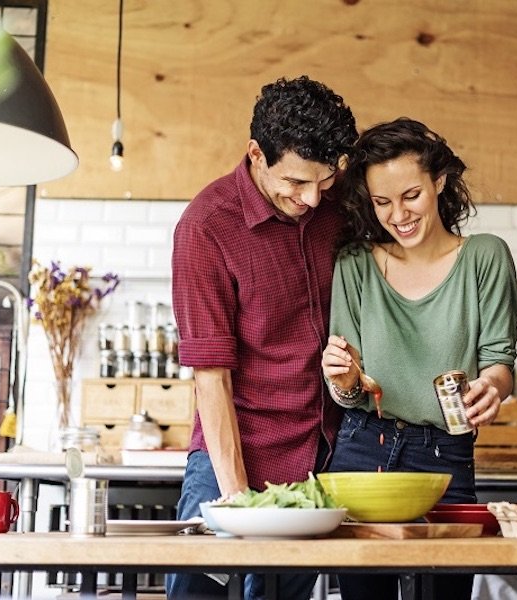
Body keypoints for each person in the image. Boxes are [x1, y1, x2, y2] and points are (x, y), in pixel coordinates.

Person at [168, 75, 358, 600]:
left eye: (324, 181)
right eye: (297, 183)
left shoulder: (333, 201)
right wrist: (240, 504)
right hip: (234, 450)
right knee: (197, 592)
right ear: (256, 153)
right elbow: (211, 377)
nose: (313, 198)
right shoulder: (206, 226)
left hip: (316, 458)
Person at [321, 117, 517, 600]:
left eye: (410, 195)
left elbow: (499, 362)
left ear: (440, 181)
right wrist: (344, 378)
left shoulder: (485, 258)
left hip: (445, 456)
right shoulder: (354, 264)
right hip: (363, 448)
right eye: (382, 202)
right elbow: (347, 390)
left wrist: (491, 388)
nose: (398, 215)